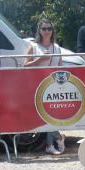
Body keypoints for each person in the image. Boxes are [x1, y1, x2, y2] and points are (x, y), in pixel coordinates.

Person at [24, 17, 66, 155]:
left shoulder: (57, 47)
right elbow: (25, 65)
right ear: (39, 31)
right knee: (42, 115)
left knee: (51, 115)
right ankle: (58, 137)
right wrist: (39, 60)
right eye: (44, 28)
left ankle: (49, 145)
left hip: (53, 86)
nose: (47, 31)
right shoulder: (33, 47)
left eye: (49, 28)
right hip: (37, 85)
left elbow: (60, 67)